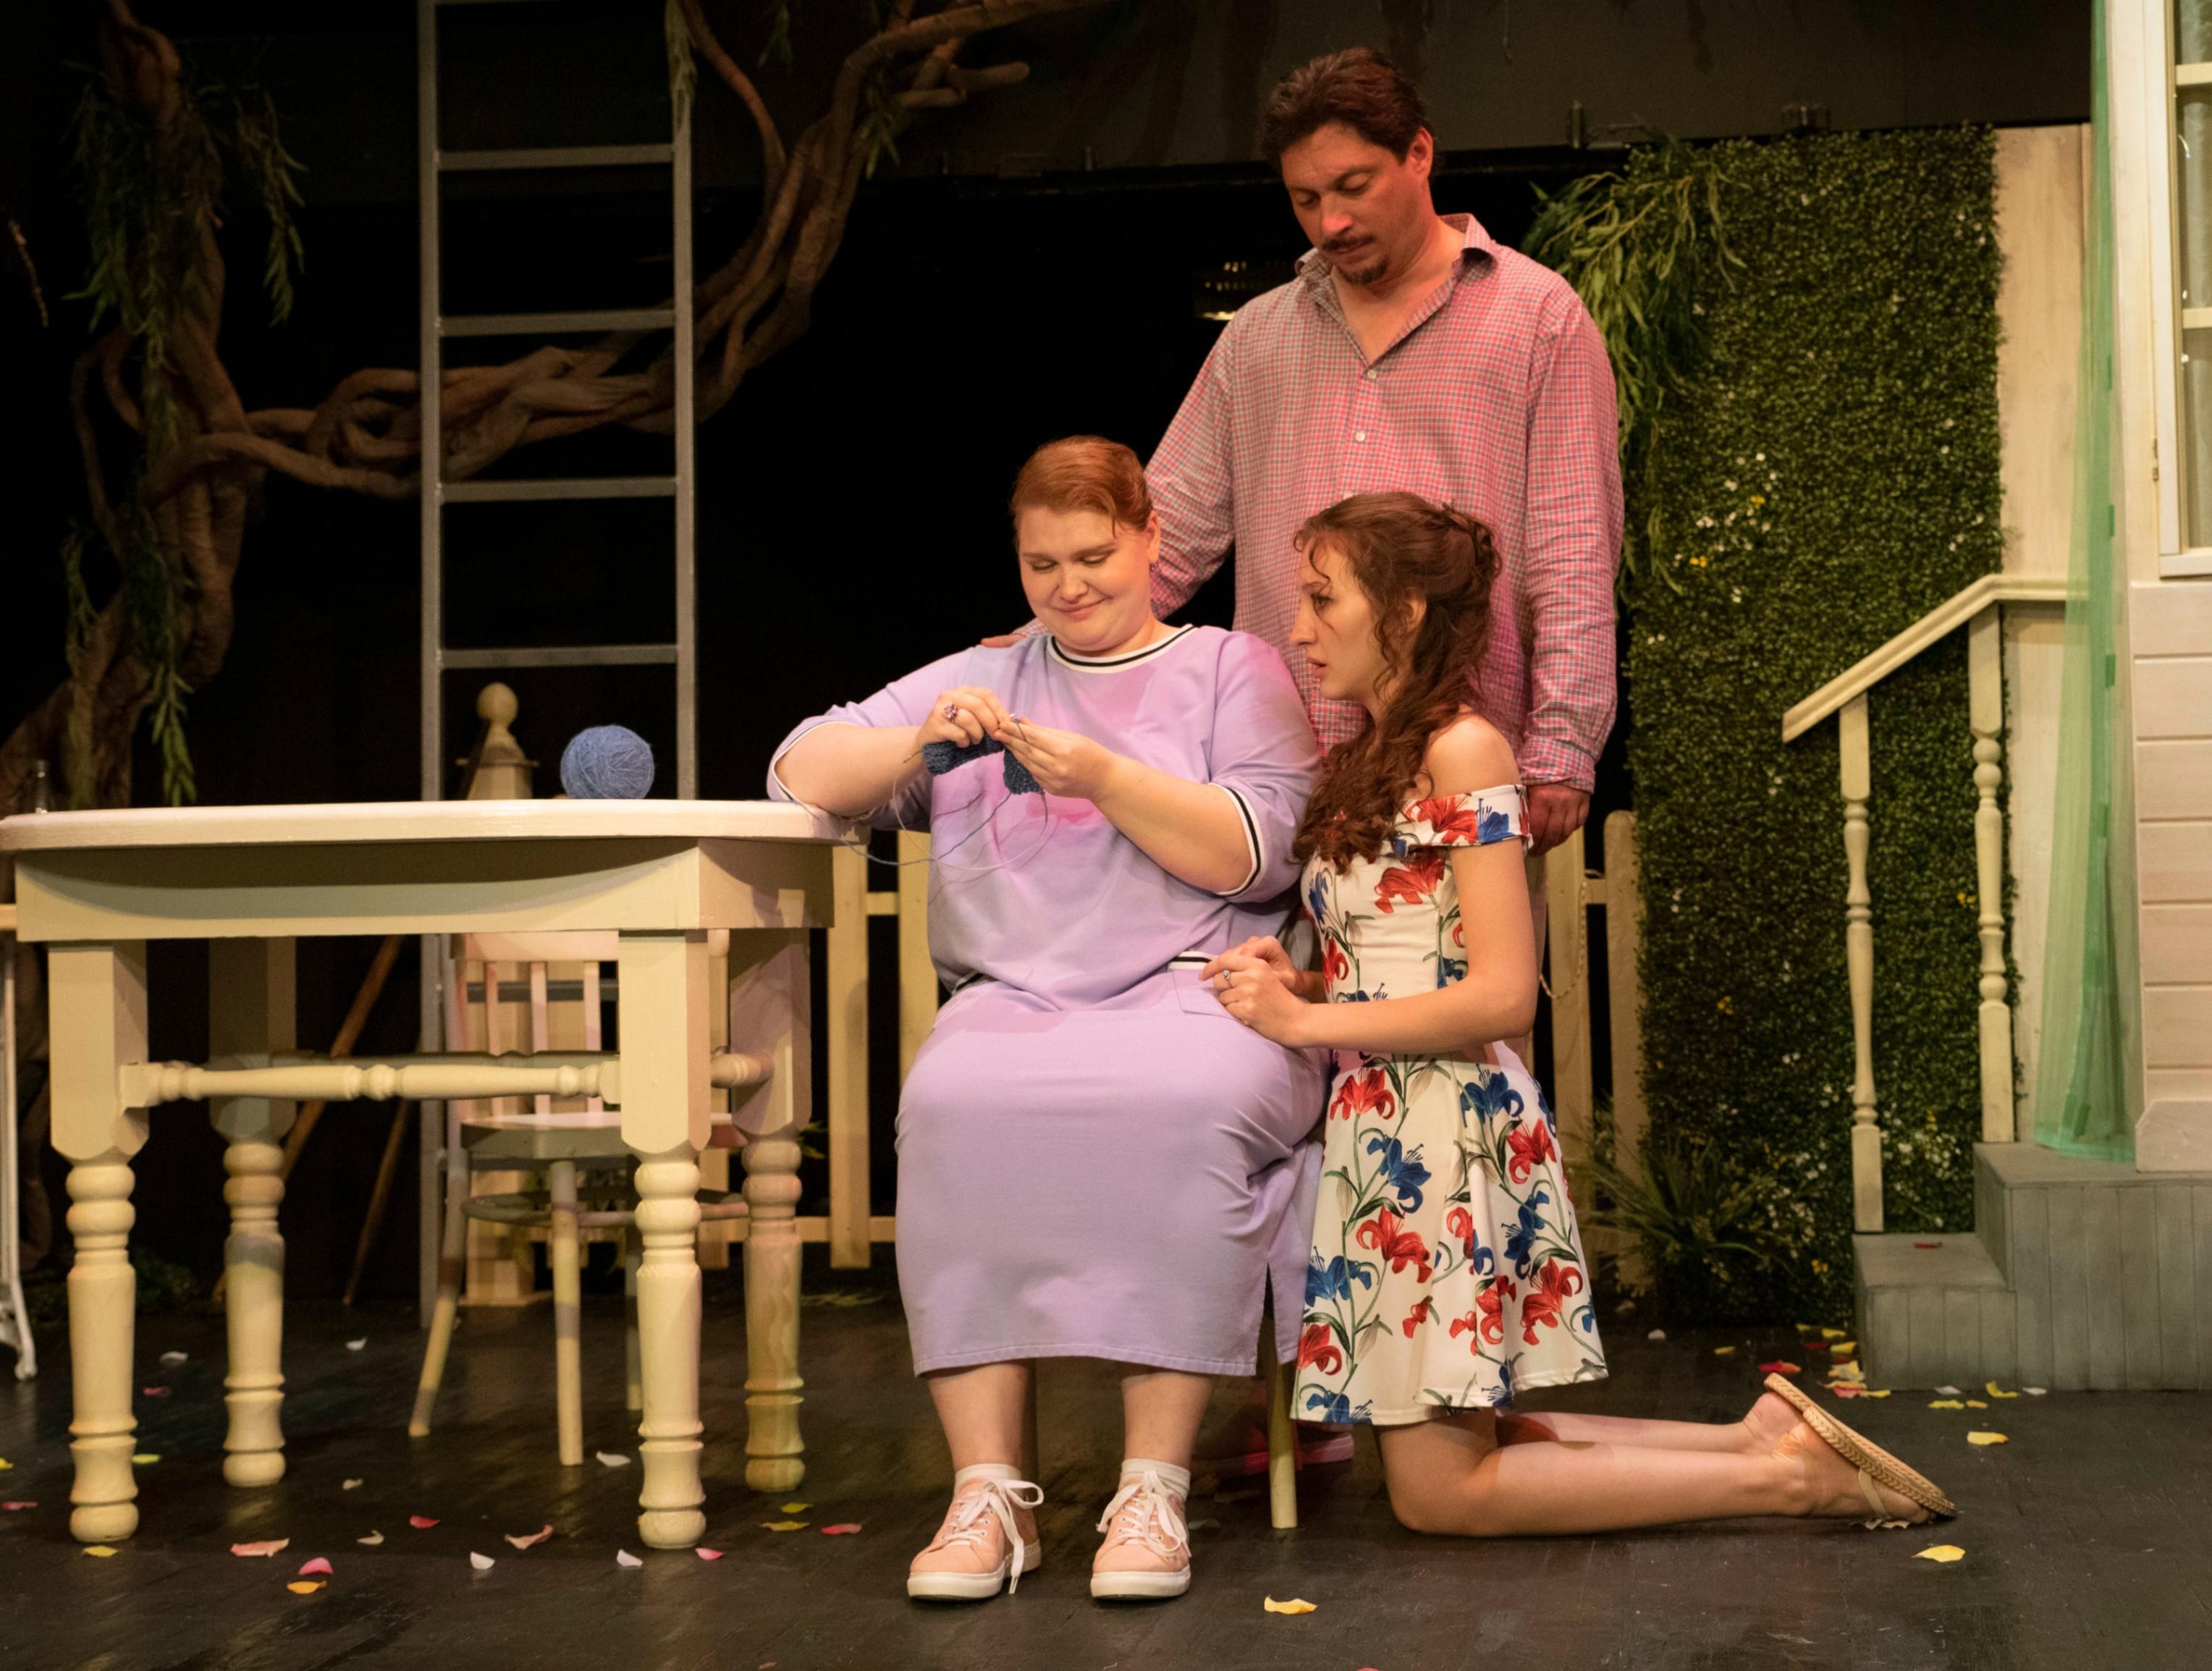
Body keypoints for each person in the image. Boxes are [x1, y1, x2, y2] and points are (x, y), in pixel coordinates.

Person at [1202, 493, 1956, 1536]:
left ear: (1405, 612)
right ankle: (1759, 1440)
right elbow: (1409, 963)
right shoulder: (1377, 755)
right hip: (1390, 1122)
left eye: (1324, 600)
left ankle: (1790, 1480)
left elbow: (1503, 994)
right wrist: (1309, 989)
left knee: (1439, 1492)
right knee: (1456, 1448)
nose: (1298, 628)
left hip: (1443, 1127)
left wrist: (1304, 1028)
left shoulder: (1465, 750)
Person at [767, 437, 1327, 1603]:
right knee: (951, 1102)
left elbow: (1261, 851)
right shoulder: (992, 672)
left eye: (1092, 557)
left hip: (1201, 991)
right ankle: (989, 1495)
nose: (1068, 587)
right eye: (1041, 564)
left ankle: (1152, 1486)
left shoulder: (1231, 668)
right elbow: (798, 768)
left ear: (1151, 539)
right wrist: (917, 741)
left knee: (1181, 1104)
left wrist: (1108, 780)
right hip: (1016, 1001)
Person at [1144, 47, 1621, 860]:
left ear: (1419, 153)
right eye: (1306, 199)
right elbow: (1168, 533)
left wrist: (1562, 746)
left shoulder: (1537, 319)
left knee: (1467, 953)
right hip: (1273, 775)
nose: (1330, 222)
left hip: (1457, 765)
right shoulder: (1258, 336)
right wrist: (1054, 633)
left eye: (1353, 186)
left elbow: (1572, 548)